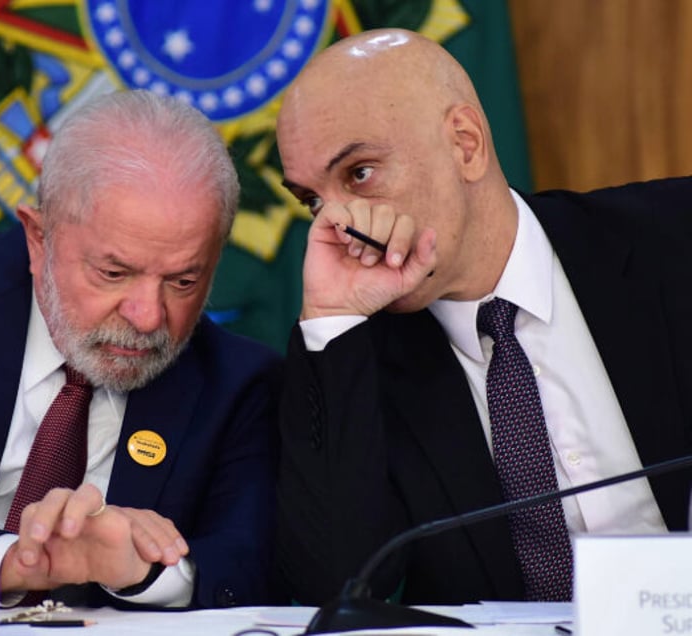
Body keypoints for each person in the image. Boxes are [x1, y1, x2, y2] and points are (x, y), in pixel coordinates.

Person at [274, 28, 692, 607]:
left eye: (360, 174)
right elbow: (328, 590)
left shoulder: (675, 238)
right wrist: (332, 316)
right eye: (312, 201)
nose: (339, 224)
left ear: (466, 144)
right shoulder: (354, 360)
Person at [0, 90, 282, 609]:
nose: (148, 316)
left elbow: (254, 567)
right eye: (113, 273)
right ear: (37, 238)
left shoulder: (236, 383)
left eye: (183, 281)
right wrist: (13, 562)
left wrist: (144, 571)